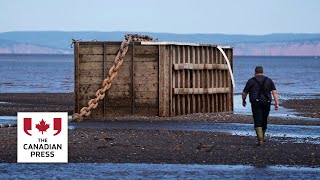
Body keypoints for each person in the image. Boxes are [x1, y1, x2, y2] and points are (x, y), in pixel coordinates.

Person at [242, 66, 279, 146]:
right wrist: (276, 103)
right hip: (267, 102)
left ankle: (260, 140)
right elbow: (274, 92)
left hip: (256, 103)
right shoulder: (268, 80)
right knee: (264, 119)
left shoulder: (251, 81)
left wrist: (243, 100)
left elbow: (244, 93)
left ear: (255, 72)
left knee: (257, 120)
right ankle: (262, 136)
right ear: (262, 72)